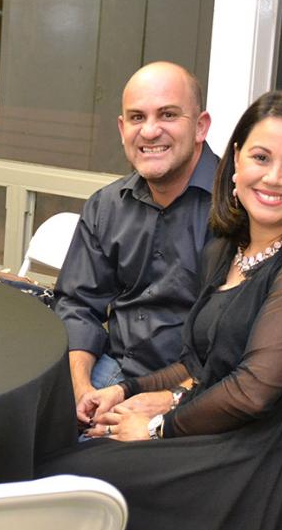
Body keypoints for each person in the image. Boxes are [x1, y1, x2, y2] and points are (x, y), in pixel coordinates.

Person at [38, 89, 282, 530]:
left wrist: (157, 427)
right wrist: (127, 390)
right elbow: (198, 365)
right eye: (261, 157)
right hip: (235, 426)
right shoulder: (230, 248)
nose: (273, 178)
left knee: (72, 479)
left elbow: (251, 391)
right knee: (65, 458)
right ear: (236, 162)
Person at [53, 61, 217, 405]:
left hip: (198, 388)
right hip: (114, 370)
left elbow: (237, 346)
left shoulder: (238, 208)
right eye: (137, 117)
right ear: (122, 128)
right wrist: (81, 390)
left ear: (200, 126)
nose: (150, 131)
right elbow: (78, 305)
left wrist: (157, 406)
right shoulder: (106, 206)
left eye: (168, 115)